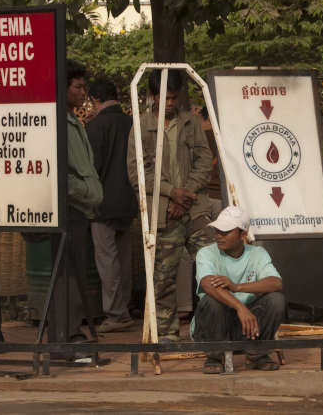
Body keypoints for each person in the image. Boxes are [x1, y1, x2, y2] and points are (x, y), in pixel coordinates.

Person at [127, 69, 213, 342]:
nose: (171, 104)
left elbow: (204, 161)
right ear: (152, 96)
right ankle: (166, 334)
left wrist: (185, 193)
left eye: (175, 98)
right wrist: (171, 193)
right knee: (163, 278)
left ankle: (211, 328)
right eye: (166, 98)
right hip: (162, 214)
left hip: (195, 209)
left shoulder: (191, 122)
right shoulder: (140, 127)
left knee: (211, 270)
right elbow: (137, 173)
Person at [49, 60, 104, 353]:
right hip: (69, 209)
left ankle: (69, 334)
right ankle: (66, 337)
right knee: (67, 275)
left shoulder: (73, 120)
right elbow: (57, 174)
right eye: (78, 87)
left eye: (85, 87)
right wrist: (81, 191)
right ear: (64, 86)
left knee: (74, 273)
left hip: (81, 209)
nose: (83, 93)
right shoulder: (58, 121)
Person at [192, 206, 283, 373]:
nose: (218, 235)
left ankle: (257, 355)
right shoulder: (206, 253)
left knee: (276, 299)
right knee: (211, 300)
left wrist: (236, 286)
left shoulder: (257, 253)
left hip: (248, 326)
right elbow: (207, 284)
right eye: (217, 230)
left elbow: (276, 283)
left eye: (225, 232)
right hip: (214, 326)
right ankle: (214, 356)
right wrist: (240, 307)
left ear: (243, 235)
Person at [86, 79, 138, 333]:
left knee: (107, 260)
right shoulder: (132, 123)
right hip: (129, 200)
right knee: (124, 258)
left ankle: (116, 314)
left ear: (95, 99)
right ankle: (124, 307)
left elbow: (91, 168)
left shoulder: (95, 126)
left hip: (102, 203)